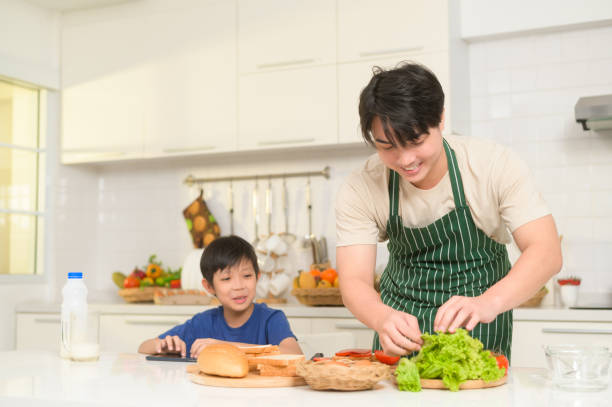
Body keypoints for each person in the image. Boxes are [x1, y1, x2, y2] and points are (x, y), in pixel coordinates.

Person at [335, 62, 562, 360]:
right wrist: (381, 318)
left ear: (440, 119)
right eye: (387, 147)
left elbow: (546, 252)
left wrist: (486, 304)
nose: (405, 160)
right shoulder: (361, 186)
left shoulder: (492, 165)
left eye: (415, 141)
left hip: (478, 329)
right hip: (399, 332)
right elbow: (354, 281)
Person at [138, 235, 302, 357]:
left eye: (246, 276)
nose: (239, 286)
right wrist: (163, 345)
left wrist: (225, 346)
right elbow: (143, 348)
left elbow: (294, 354)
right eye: (226, 279)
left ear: (257, 277)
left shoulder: (271, 319)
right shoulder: (203, 323)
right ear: (209, 286)